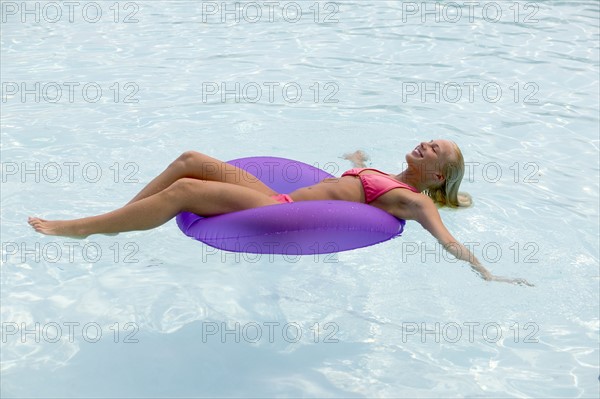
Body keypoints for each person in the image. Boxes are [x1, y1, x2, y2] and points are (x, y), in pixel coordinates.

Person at [28, 139, 532, 286]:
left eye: (433, 151)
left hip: (277, 209)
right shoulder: (390, 176)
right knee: (190, 160)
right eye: (426, 141)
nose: (423, 145)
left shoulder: (414, 200)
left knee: (184, 187)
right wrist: (356, 161)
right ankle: (122, 213)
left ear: (439, 177)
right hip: (282, 198)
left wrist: (485, 271)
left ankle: (82, 230)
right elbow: (353, 181)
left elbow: (443, 237)